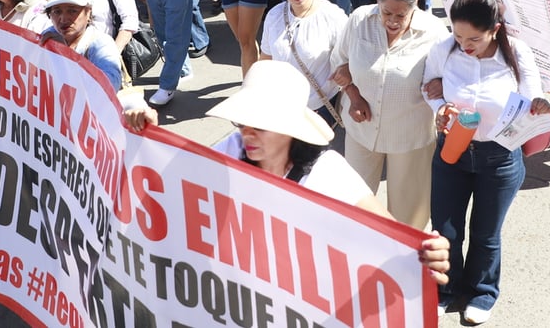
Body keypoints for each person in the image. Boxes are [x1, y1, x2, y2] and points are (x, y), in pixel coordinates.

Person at [120, 60, 451, 284]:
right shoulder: (233, 147)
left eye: (262, 125)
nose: (248, 132)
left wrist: (427, 254)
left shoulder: (326, 172)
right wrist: (148, 133)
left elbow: (392, 235)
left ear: (289, 129)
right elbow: (176, 173)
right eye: (243, 121)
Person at [422, 0, 550, 322]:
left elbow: (533, 97)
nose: (465, 45)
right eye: (458, 34)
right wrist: (439, 108)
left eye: (474, 39)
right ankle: (446, 288)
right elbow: (428, 85)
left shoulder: (517, 53)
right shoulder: (445, 49)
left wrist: (539, 107)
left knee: (486, 233)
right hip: (452, 152)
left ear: (495, 29)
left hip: (499, 157)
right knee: (446, 229)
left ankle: (483, 292)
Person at [330, 0, 448, 228]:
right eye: (386, 13)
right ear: (378, 3)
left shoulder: (435, 32)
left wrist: (443, 84)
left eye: (401, 15)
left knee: (408, 221)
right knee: (353, 208)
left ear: (414, 6)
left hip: (410, 137)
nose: (392, 21)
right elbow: (338, 61)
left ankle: (404, 265)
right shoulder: (360, 19)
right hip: (361, 132)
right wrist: (353, 94)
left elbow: (453, 74)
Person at [260, 0, 348, 124]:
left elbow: (353, 56)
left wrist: (347, 70)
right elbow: (265, 60)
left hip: (319, 110)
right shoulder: (274, 15)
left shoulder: (333, 16)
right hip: (282, 107)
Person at [40, 0, 123, 92]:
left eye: (72, 11)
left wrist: (65, 55)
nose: (63, 19)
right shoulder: (47, 37)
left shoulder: (101, 43)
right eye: (57, 11)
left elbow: (109, 87)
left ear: (88, 12)